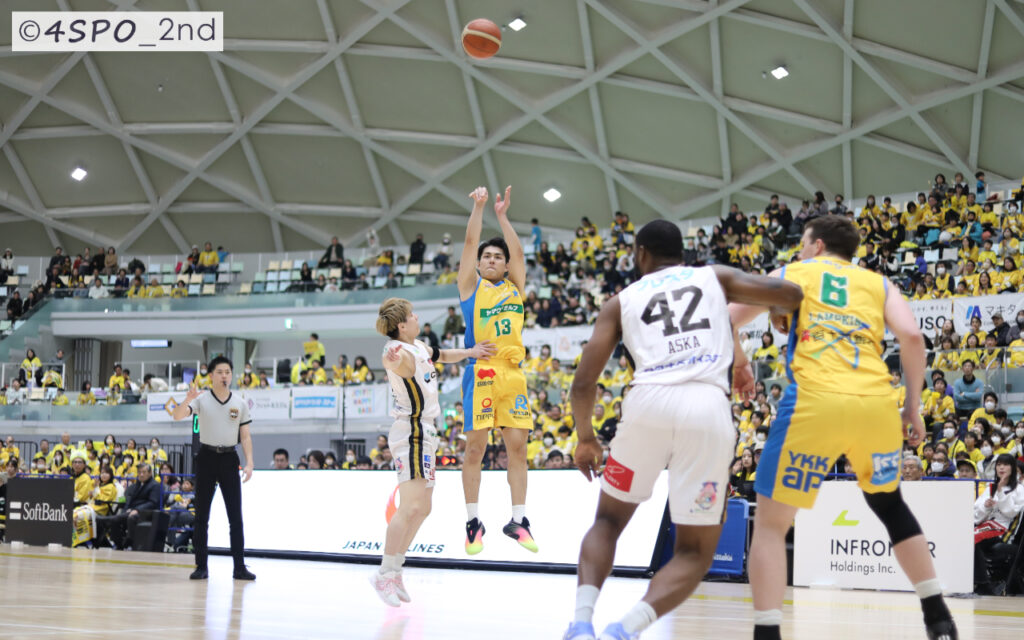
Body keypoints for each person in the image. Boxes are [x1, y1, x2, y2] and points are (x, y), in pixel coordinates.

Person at [564, 219, 803, 640]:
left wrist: (586, 439)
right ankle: (625, 630)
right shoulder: (714, 276)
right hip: (706, 409)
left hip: (646, 405)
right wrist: (777, 310)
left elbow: (583, 383)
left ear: (641, 253)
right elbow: (790, 293)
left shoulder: (620, 301)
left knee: (607, 522)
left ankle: (582, 624)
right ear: (682, 252)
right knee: (694, 552)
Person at [729, 215, 958, 640]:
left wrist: (741, 363)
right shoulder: (879, 283)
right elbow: (912, 337)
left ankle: (767, 634)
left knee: (772, 525)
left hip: (814, 402)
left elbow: (728, 317)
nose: (800, 252)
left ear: (816, 246)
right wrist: (912, 407)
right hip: (875, 405)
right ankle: (938, 617)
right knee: (890, 506)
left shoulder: (793, 272)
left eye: (802, 244)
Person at [369, 297, 495, 606]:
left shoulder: (419, 346)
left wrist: (470, 352)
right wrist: (391, 359)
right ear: (402, 325)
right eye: (412, 315)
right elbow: (391, 360)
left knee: (424, 507)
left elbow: (443, 355)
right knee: (409, 506)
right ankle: (384, 572)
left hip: (426, 432)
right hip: (411, 431)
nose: (417, 317)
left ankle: (396, 569)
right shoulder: (396, 350)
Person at [457, 186, 538, 554]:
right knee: (475, 449)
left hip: (512, 374)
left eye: (497, 257)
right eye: (486, 256)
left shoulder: (514, 287)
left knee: (518, 449)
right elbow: (470, 241)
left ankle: (519, 520)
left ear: (506, 266)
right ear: (478, 264)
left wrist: (503, 216)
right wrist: (480, 208)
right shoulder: (470, 288)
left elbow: (518, 252)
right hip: (482, 372)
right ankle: (473, 522)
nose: (491, 260)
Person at [171, 356, 256, 581]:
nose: (224, 376)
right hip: (206, 457)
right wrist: (187, 399)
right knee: (201, 516)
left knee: (235, 517)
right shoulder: (201, 400)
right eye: (220, 372)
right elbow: (177, 416)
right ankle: (201, 566)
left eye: (227, 372)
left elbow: (245, 437)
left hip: (229, 458)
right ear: (211, 376)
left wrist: (249, 462)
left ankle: (239, 567)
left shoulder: (239, 402)